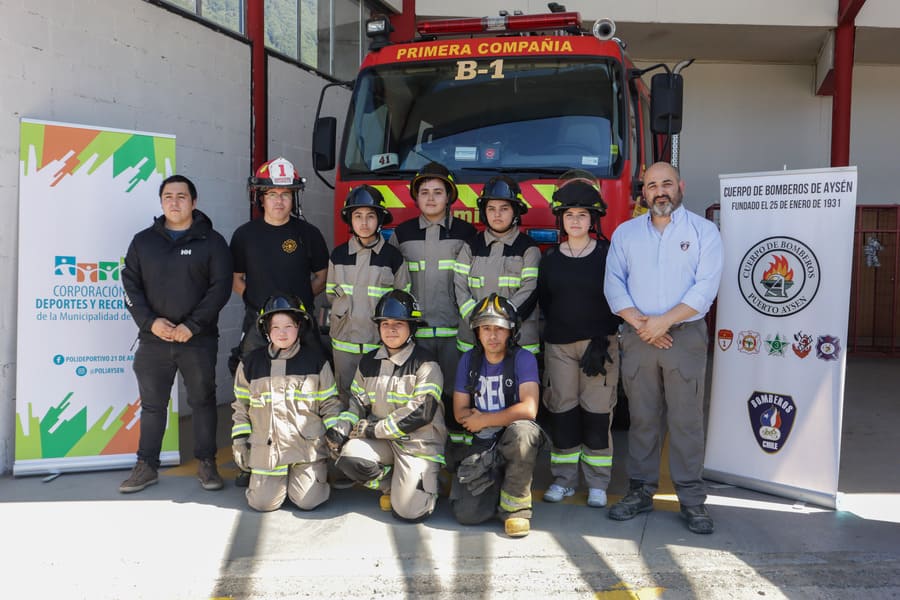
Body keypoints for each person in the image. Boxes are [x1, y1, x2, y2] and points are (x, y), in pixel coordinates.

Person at [603, 161, 724, 534]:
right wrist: (644, 325)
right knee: (642, 418)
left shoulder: (704, 232)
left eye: (666, 183)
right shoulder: (626, 233)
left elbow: (705, 288)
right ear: (643, 192)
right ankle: (640, 491)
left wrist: (664, 322)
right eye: (652, 185)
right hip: (638, 336)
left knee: (686, 420)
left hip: (684, 337)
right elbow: (613, 283)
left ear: (680, 186)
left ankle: (692, 499)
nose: (660, 191)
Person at [120, 174, 232, 493]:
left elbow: (220, 289)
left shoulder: (212, 242)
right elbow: (130, 286)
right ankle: (146, 466)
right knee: (152, 406)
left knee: (202, 401)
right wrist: (150, 322)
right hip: (153, 340)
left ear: (193, 202)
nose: (174, 202)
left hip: (197, 340)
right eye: (168, 196)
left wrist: (192, 326)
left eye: (181, 196)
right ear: (161, 202)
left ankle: (207, 463)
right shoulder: (143, 242)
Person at [537, 176, 620, 508]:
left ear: (593, 219)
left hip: (598, 347)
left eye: (582, 215)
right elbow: (545, 301)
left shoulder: (607, 254)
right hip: (559, 346)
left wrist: (605, 335)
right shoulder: (550, 259)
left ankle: (598, 483)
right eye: (569, 215)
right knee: (563, 412)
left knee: (597, 413)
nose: (575, 221)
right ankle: (564, 480)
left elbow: (619, 298)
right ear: (561, 219)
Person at [327, 290, 446, 521]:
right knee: (347, 456)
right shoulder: (368, 362)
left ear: (412, 327)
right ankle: (390, 484)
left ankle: (426, 484)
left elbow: (421, 413)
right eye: (385, 324)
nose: (391, 329)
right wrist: (341, 429)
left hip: (418, 445)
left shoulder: (426, 364)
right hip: (383, 442)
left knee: (410, 511)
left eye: (398, 324)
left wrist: (373, 429)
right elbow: (357, 405)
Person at [388, 162, 476, 463]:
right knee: (417, 394)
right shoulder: (402, 233)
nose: (431, 198)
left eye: (438, 192)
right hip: (418, 334)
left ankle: (459, 453)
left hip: (455, 331)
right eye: (424, 192)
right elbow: (395, 282)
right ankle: (421, 454)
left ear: (449, 196)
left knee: (456, 392)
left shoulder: (466, 233)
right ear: (416, 197)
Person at [231, 296, 341, 512]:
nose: (282, 333)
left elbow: (330, 404)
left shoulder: (316, 362)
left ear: (298, 327)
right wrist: (240, 441)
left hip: (306, 448)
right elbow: (241, 407)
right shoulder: (250, 364)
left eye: (288, 326)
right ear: (266, 330)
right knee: (262, 503)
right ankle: (273, 480)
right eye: (276, 327)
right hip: (268, 450)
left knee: (308, 501)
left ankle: (313, 475)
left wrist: (333, 435)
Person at [450, 293, 543, 538]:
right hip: (484, 443)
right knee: (467, 515)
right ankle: (497, 484)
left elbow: (529, 409)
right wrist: (478, 422)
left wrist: (483, 420)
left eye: (499, 329)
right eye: (486, 328)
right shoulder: (469, 361)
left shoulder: (523, 359)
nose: (492, 336)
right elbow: (460, 411)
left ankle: (516, 509)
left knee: (523, 432)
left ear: (512, 331)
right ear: (477, 332)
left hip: (510, 437)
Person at [230, 157, 329, 361]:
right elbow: (235, 278)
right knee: (252, 372)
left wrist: (299, 300)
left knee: (311, 372)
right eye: (272, 194)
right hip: (257, 322)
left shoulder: (309, 234)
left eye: (285, 194)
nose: (279, 201)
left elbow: (323, 276)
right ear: (261, 199)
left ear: (293, 198)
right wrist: (256, 299)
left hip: (300, 322)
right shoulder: (244, 235)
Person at [326, 185, 410, 401]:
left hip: (379, 344)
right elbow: (331, 295)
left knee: (379, 397)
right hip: (344, 344)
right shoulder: (338, 255)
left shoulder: (393, 257)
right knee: (345, 396)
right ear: (350, 220)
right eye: (358, 216)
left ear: (380, 219)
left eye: (370, 216)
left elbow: (402, 301)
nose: (364, 223)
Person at [454, 175, 540, 356]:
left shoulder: (529, 248)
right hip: (473, 338)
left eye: (504, 208)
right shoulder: (471, 246)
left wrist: (502, 322)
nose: (497, 214)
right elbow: (460, 287)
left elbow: (530, 289)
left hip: (518, 340)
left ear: (515, 211)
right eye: (491, 208)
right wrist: (477, 321)